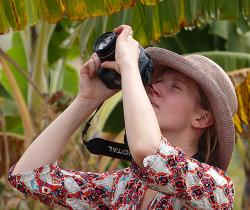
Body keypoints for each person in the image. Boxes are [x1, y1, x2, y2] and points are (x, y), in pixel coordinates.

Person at [8, 25, 237, 209]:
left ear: (202, 119)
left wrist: (128, 65)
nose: (154, 87)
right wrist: (87, 100)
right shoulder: (123, 186)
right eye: (157, 80)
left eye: (175, 87)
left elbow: (150, 154)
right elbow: (28, 176)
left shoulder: (215, 189)